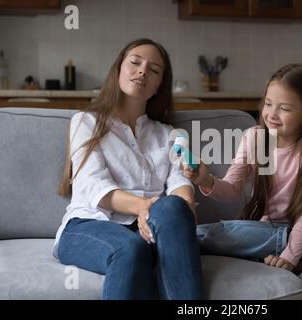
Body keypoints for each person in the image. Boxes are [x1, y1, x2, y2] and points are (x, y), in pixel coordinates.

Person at [54, 38, 202, 300]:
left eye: (154, 70)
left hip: (149, 228)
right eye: (135, 62)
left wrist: (182, 211)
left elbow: (181, 183)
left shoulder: (170, 134)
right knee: (130, 248)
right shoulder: (86, 122)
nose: (143, 71)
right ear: (118, 71)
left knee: (173, 206)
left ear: (158, 86)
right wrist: (144, 207)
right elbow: (93, 186)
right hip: (89, 224)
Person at [183, 64, 302, 272]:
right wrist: (207, 181)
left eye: (284, 108)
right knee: (226, 237)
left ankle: (300, 247)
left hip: (298, 230)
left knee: (197, 235)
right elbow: (232, 189)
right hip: (264, 230)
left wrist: (289, 257)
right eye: (268, 104)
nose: (272, 114)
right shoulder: (257, 139)